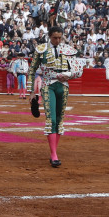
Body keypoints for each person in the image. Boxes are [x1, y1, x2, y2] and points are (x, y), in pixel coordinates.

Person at [28, 28, 83, 168]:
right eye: (55, 38)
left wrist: (69, 75)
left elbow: (79, 70)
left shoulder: (68, 49)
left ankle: (54, 151)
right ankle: (54, 155)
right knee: (51, 118)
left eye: (59, 38)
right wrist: (31, 92)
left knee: (59, 119)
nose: (57, 41)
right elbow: (32, 70)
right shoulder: (41, 49)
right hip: (48, 84)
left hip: (63, 86)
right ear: (49, 37)